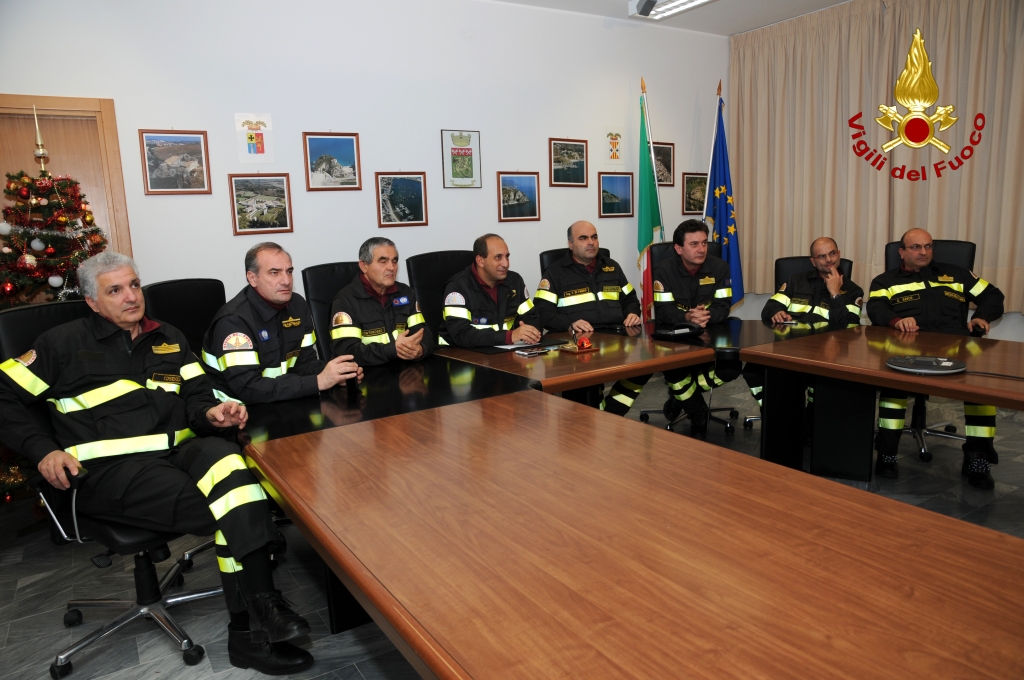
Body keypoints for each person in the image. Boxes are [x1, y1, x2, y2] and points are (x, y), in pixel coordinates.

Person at [0, 252, 312, 675]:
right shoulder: (62, 343)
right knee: (234, 508)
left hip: (180, 452)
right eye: (115, 290)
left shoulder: (168, 336)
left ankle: (260, 611)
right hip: (110, 471)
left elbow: (199, 394)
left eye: (134, 285)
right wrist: (42, 449)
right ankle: (252, 629)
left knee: (231, 468)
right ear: (92, 302)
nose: (131, 297)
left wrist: (212, 414)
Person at [868, 228, 1004, 489]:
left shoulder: (956, 274)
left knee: (982, 394)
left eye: (928, 247)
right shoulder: (884, 281)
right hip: (907, 349)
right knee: (892, 392)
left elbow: (993, 296)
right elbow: (876, 309)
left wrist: (981, 316)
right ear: (902, 252)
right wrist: (897, 321)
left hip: (956, 348)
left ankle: (978, 459)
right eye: (916, 247)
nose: (923, 252)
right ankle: (887, 454)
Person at [202, 242, 362, 404]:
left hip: (281, 398)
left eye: (289, 271)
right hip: (234, 409)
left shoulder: (298, 305)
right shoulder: (233, 321)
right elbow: (247, 388)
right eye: (274, 272)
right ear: (252, 278)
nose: (286, 280)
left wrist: (337, 374)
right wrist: (319, 381)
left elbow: (305, 363)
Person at [533, 221, 645, 416]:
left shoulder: (612, 266)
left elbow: (630, 298)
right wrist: (569, 325)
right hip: (579, 343)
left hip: (616, 339)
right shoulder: (555, 272)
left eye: (594, 237)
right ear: (570, 244)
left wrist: (633, 313)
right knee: (582, 397)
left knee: (646, 365)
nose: (591, 242)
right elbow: (542, 312)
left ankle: (610, 413)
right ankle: (601, 416)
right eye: (583, 238)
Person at [743, 236, 864, 414]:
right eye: (822, 256)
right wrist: (776, 312)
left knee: (819, 387)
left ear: (839, 254)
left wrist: (835, 294)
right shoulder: (795, 281)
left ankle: (808, 419)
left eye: (832, 254)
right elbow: (769, 308)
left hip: (826, 353)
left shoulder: (853, 290)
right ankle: (773, 411)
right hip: (790, 348)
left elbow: (849, 326)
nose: (829, 259)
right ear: (813, 262)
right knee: (753, 370)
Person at [652, 220, 739, 437]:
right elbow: (663, 311)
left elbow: (723, 306)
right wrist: (687, 317)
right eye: (694, 244)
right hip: (676, 333)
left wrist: (705, 317)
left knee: (731, 367)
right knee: (676, 369)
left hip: (711, 330)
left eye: (704, 243)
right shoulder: (663, 270)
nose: (701, 249)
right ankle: (698, 412)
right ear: (679, 248)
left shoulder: (720, 267)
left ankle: (680, 396)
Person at [329, 237, 433, 365]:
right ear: (364, 266)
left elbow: (424, 332)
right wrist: (392, 350)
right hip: (366, 374)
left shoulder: (405, 293)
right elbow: (348, 352)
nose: (391, 267)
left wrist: (421, 349)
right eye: (383, 261)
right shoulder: (345, 301)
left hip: (404, 369)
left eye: (394, 261)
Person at [439, 233, 541, 347]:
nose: (506, 263)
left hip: (502, 352)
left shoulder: (515, 281)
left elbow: (532, 318)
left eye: (507, 256)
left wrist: (531, 333)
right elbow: (461, 334)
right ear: (480, 261)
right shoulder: (457, 288)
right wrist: (509, 336)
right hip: (459, 356)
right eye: (498, 257)